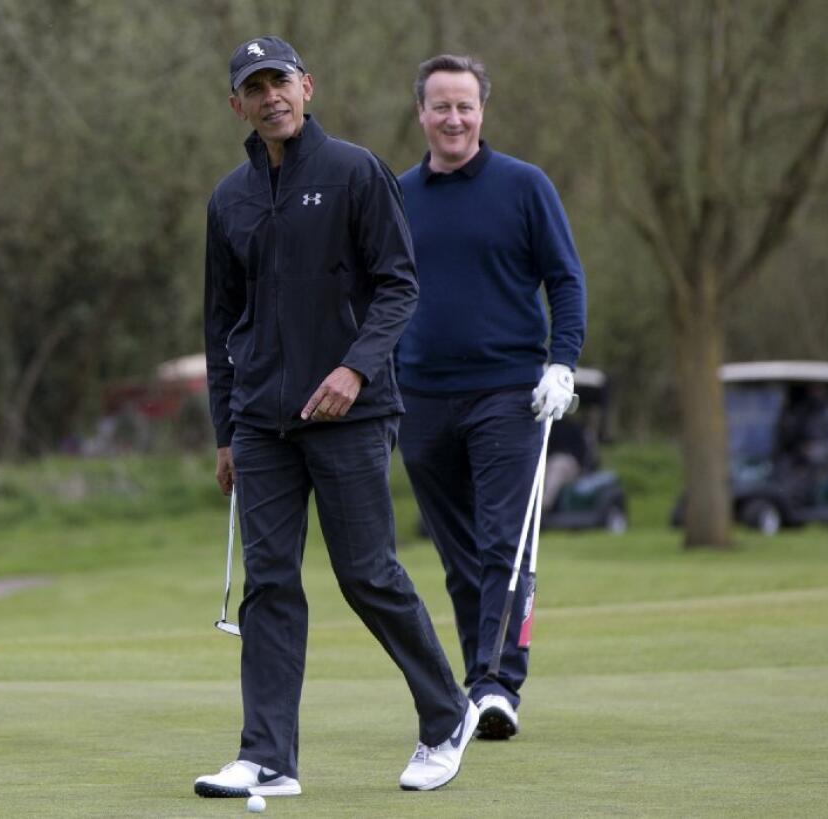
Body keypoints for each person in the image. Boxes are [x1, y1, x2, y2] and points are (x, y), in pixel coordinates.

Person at [196, 36, 475, 800]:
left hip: (350, 412)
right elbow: (220, 324)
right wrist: (225, 430)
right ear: (237, 106)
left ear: (307, 86)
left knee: (367, 573)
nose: (270, 97)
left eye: (280, 81)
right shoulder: (230, 199)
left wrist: (355, 367)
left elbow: (398, 286)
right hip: (260, 421)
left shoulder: (355, 171)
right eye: (254, 89)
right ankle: (269, 758)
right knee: (270, 584)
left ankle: (446, 714)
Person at [395, 55, 587, 741]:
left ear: (482, 111)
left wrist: (562, 363)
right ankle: (482, 675)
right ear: (421, 112)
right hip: (418, 399)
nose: (454, 118)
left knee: (503, 542)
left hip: (509, 392)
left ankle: (495, 684)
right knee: (459, 554)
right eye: (441, 106)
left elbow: (565, 280)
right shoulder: (397, 196)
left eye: (465, 106)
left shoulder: (524, 187)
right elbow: (374, 296)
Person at [776, 383, 828, 504]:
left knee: (805, 471)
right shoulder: (804, 410)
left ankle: (798, 501)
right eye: (811, 389)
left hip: (824, 458)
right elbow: (792, 431)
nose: (814, 393)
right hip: (803, 455)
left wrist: (815, 449)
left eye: (817, 389)